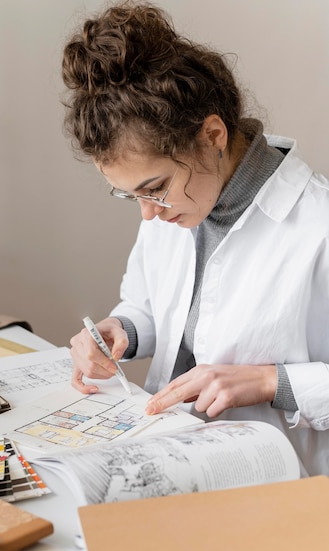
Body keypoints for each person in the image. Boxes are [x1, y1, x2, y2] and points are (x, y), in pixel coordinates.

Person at [62, 1, 329, 476]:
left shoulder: (319, 225)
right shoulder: (177, 209)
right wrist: (122, 330)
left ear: (212, 134)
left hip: (284, 488)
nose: (148, 213)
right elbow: (147, 303)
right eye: (130, 197)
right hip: (176, 458)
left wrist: (271, 382)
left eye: (155, 189)